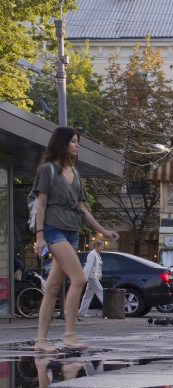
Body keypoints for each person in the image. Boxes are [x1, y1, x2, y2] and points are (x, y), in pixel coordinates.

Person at [31, 126, 119, 352]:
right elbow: (41, 205)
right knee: (79, 278)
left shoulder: (76, 173)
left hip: (71, 231)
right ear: (62, 143)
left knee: (51, 288)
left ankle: (41, 341)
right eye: (73, 141)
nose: (77, 145)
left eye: (77, 141)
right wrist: (40, 236)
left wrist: (104, 231)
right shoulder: (48, 170)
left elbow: (82, 209)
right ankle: (69, 334)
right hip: (52, 230)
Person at [79, 238, 104, 318]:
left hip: (93, 276)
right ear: (96, 246)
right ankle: (109, 308)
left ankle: (82, 311)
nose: (101, 248)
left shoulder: (97, 255)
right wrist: (84, 277)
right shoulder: (92, 254)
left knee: (88, 294)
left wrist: (99, 275)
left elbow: (98, 267)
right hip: (92, 276)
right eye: (100, 246)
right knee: (100, 291)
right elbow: (88, 266)